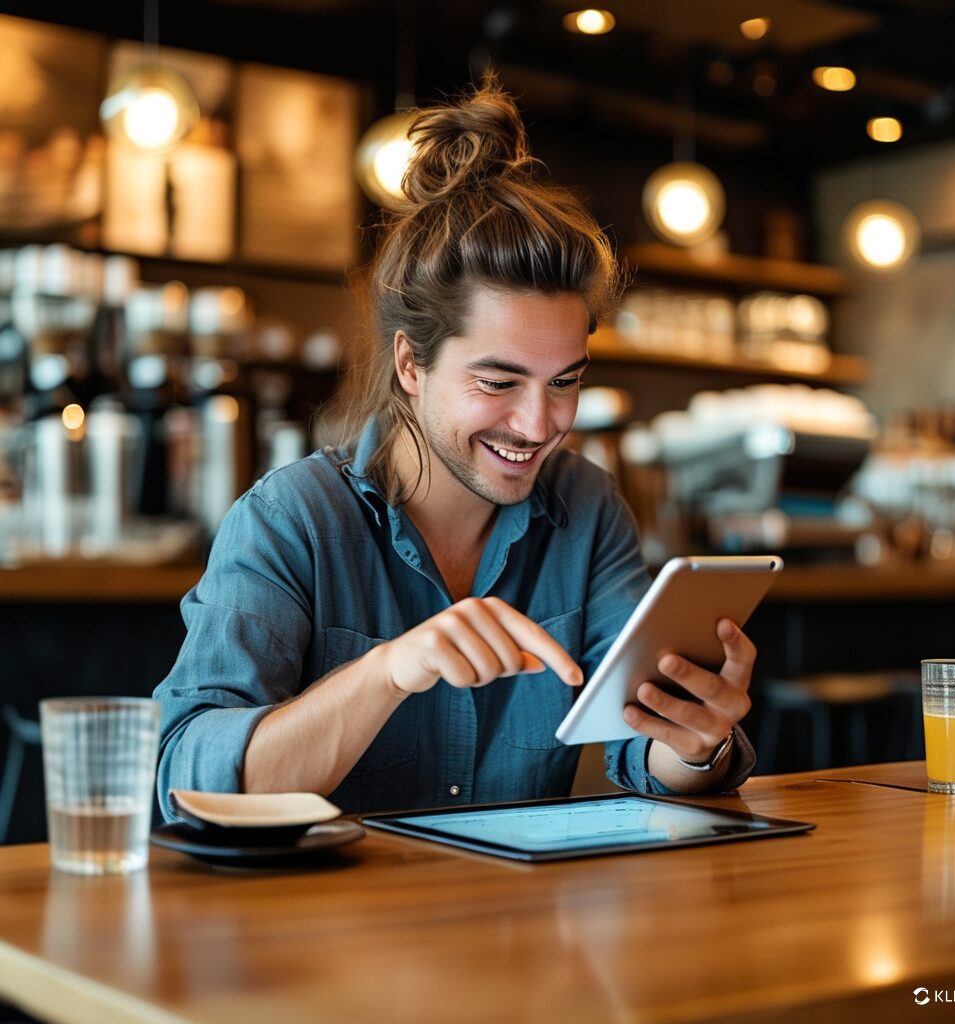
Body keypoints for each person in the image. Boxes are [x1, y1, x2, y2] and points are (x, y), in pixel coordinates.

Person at [153, 76, 757, 820]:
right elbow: (186, 778)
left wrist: (696, 740)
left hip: (511, 926)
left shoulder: (587, 508)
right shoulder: (291, 521)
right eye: (500, 382)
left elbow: (643, 747)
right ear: (411, 365)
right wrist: (388, 671)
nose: (538, 424)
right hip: (315, 932)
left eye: (563, 381)